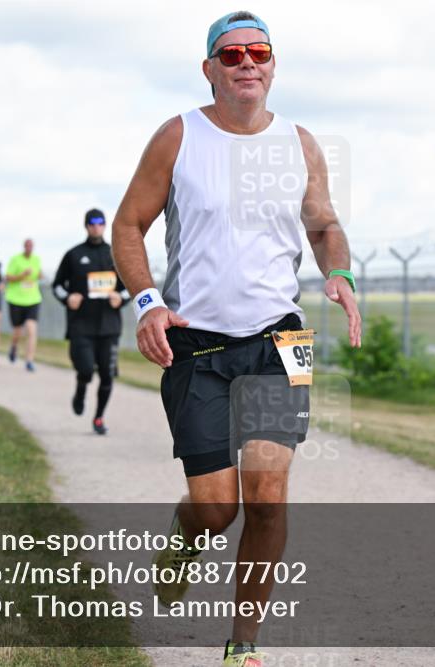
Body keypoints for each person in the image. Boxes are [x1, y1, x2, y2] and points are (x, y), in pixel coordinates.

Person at [112, 11, 361, 666]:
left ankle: (242, 642)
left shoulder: (300, 144)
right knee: (217, 508)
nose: (247, 62)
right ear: (210, 69)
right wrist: (148, 304)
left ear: (273, 65)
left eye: (260, 52)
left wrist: (338, 271)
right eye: (233, 54)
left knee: (269, 493)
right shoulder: (178, 136)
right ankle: (186, 531)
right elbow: (128, 224)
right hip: (196, 345)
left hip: (282, 340)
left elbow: (325, 223)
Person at [52, 209, 130, 435]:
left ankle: (98, 418)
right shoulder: (74, 255)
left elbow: (130, 287)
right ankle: (80, 388)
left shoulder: (115, 253)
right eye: (92, 223)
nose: (96, 227)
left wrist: (121, 298)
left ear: (105, 226)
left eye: (100, 223)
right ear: (86, 226)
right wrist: (67, 297)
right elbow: (57, 284)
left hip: (109, 327)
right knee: (86, 369)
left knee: (107, 374)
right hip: (81, 326)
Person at [4, 238, 43, 372]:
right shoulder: (15, 259)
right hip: (16, 299)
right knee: (18, 331)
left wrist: (40, 276)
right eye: (27, 245)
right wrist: (22, 275)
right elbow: (8, 277)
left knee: (31, 329)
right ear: (24, 247)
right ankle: (14, 346)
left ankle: (29, 360)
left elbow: (38, 275)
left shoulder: (36, 259)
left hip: (33, 299)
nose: (29, 248)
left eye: (31, 246)